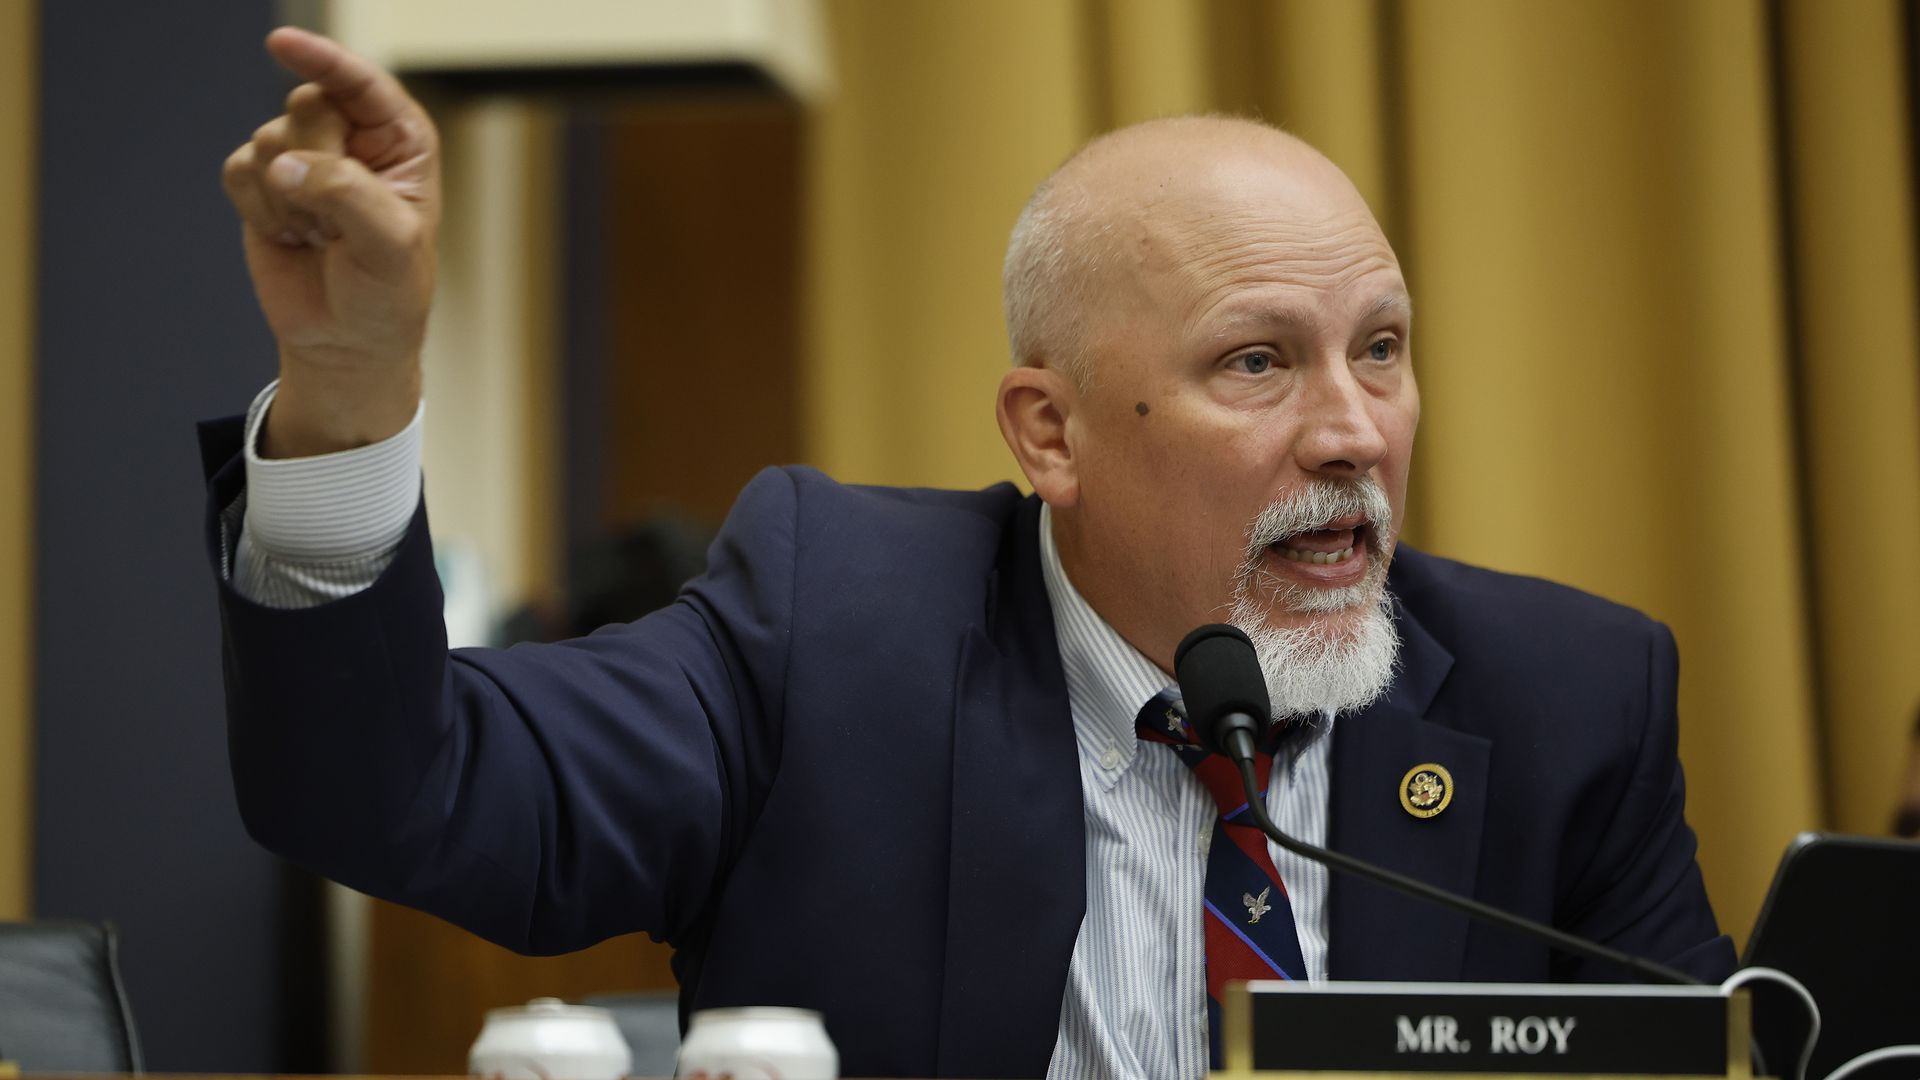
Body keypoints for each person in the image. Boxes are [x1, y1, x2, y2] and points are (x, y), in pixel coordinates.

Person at [206, 27, 1736, 1080]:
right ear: (1048, 433)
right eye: (1259, 365)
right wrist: (350, 396)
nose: (1356, 431)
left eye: (1383, 350)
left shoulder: (1566, 705)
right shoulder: (835, 631)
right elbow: (396, 787)